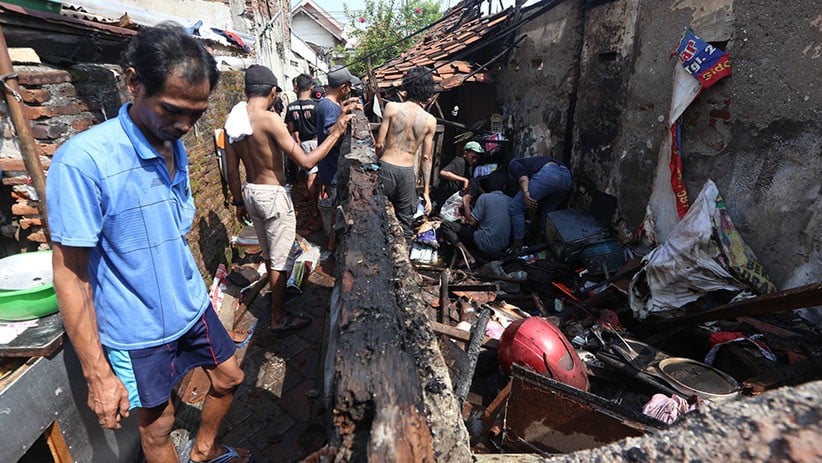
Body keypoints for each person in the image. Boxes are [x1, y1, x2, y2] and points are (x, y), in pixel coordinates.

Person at [47, 24, 254, 463]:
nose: (184, 125)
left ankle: (203, 451)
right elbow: (70, 272)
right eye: (173, 110)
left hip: (191, 309)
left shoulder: (171, 142)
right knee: (158, 428)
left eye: (196, 115)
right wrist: (98, 374)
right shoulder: (84, 162)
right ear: (133, 82)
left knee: (230, 377)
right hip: (135, 332)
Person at [224, 65, 357, 335]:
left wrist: (238, 202)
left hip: (251, 192)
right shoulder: (270, 119)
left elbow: (231, 171)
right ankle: (277, 317)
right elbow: (307, 161)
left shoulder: (233, 121)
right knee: (280, 259)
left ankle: (276, 306)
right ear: (273, 91)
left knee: (271, 253)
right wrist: (337, 132)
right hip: (272, 195)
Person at [375, 66, 437, 233]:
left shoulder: (392, 108)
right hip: (407, 174)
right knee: (405, 224)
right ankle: (403, 256)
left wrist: (378, 163)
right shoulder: (430, 121)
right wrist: (425, 192)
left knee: (378, 216)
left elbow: (379, 144)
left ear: (406, 86)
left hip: (386, 166)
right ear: (427, 91)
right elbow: (426, 158)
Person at [439, 173, 512, 268]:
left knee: (446, 225)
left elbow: (472, 222)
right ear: (504, 186)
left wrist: (466, 202)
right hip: (503, 246)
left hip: (484, 243)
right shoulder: (511, 201)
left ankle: (469, 257)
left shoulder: (485, 198)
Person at [507, 155, 573, 252]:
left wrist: (526, 193)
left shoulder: (514, 163)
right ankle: (539, 242)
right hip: (567, 177)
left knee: (516, 207)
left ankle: (518, 245)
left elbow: (523, 178)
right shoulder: (533, 162)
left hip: (549, 174)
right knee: (547, 211)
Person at [316, 66, 359, 204]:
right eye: (349, 86)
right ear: (342, 87)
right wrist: (343, 114)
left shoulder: (330, 104)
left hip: (331, 166)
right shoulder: (329, 106)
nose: (349, 90)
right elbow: (331, 133)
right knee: (337, 206)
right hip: (332, 169)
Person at [284, 73, 321, 225]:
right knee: (313, 175)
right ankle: (314, 205)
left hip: (299, 143)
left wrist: (296, 138)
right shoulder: (316, 106)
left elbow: (291, 127)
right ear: (311, 88)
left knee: (306, 172)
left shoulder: (291, 106)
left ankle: (309, 196)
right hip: (315, 142)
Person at [431, 140, 483, 216]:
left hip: (451, 204)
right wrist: (463, 179)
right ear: (465, 154)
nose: (475, 160)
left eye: (476, 158)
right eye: (473, 157)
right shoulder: (459, 161)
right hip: (442, 201)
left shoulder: (468, 167)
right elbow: (443, 172)